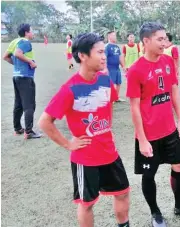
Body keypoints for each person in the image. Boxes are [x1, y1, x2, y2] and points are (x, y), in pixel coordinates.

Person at [38, 33, 131, 227]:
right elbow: (45, 122)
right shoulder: (69, 89)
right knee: (87, 204)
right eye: (99, 52)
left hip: (109, 152)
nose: (104, 56)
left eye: (104, 51)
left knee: (122, 193)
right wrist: (68, 144)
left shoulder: (105, 80)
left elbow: (109, 104)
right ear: (82, 56)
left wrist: (105, 127)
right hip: (85, 159)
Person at [126, 22, 180, 227]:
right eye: (159, 39)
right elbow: (134, 108)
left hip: (169, 130)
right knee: (148, 174)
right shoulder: (135, 70)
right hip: (148, 135)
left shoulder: (168, 61)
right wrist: (142, 139)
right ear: (146, 41)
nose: (165, 42)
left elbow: (174, 93)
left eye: (165, 39)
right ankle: (155, 214)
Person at [3, 23, 42, 139]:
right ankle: (28, 132)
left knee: (18, 103)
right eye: (31, 31)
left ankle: (18, 129)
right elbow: (17, 54)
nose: (32, 33)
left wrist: (18, 65)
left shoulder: (14, 41)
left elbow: (5, 56)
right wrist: (30, 62)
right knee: (29, 104)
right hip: (25, 77)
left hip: (16, 76)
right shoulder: (25, 42)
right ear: (26, 32)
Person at [105, 31, 126, 102]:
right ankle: (111, 99)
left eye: (115, 35)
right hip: (110, 68)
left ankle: (116, 98)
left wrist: (123, 66)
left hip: (117, 68)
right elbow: (104, 58)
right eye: (113, 35)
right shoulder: (107, 47)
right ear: (109, 37)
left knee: (118, 83)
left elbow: (120, 57)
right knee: (111, 84)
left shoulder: (117, 46)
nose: (115, 37)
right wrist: (105, 68)